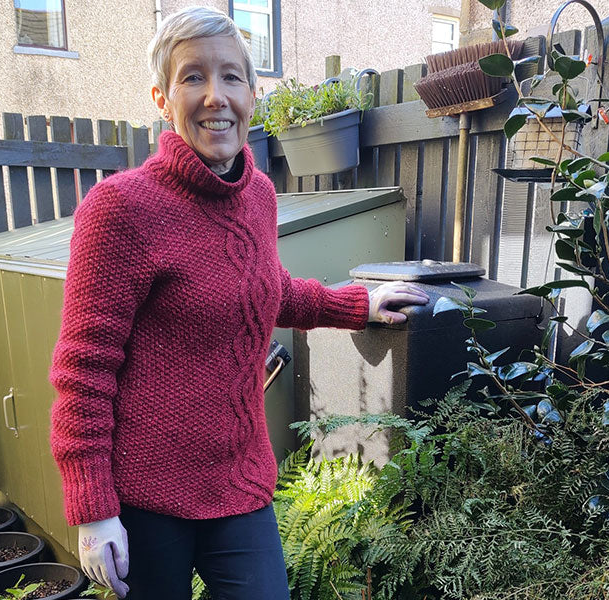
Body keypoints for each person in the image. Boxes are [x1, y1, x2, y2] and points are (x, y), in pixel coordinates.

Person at [49, 6, 429, 599]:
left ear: (253, 93)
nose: (214, 96)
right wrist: (92, 508)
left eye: (230, 76)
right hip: (147, 496)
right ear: (162, 98)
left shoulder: (257, 195)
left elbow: (263, 291)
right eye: (192, 77)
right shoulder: (121, 209)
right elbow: (83, 372)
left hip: (238, 480)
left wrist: (356, 304)